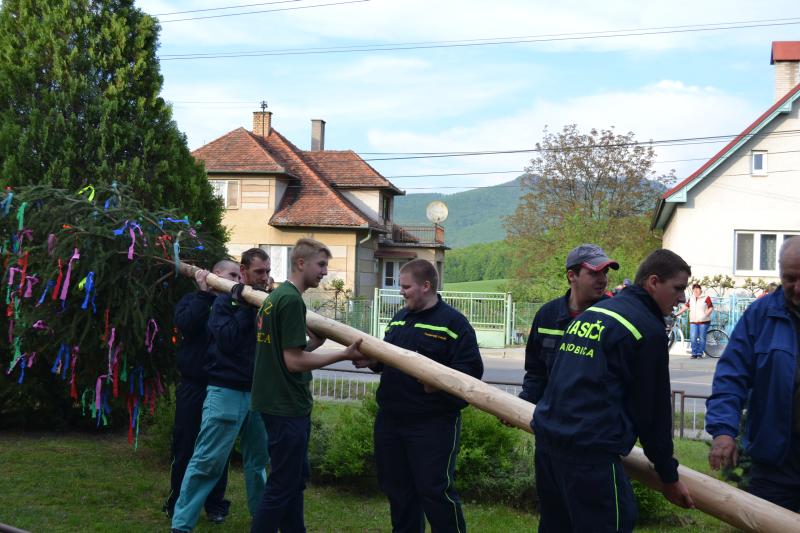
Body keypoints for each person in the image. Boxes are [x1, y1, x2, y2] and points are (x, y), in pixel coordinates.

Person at [532, 249, 695, 532]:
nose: (682, 298)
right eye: (678, 288)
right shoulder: (647, 329)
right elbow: (653, 412)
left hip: (548, 446)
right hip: (588, 457)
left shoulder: (593, 315)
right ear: (653, 282)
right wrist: (668, 476)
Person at [250, 238, 366, 532]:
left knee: (294, 480)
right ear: (301, 263)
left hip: (278, 402)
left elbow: (281, 354)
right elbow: (293, 362)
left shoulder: (275, 298)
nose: (325, 272)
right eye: (321, 265)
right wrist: (344, 354)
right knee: (282, 485)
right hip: (286, 405)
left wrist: (313, 345)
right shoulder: (290, 301)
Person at [367, 259, 484, 532]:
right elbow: (386, 361)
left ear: (426, 286)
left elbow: (471, 374)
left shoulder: (454, 324)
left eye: (406, 287)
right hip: (391, 421)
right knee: (398, 490)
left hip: (432, 424)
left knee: (435, 492)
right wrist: (372, 361)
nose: (401, 292)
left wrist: (439, 384)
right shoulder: (400, 318)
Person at [171, 248, 272, 533]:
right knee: (207, 461)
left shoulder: (267, 305)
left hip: (258, 395)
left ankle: (262, 520)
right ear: (244, 272)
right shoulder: (224, 303)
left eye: (267, 271)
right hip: (225, 391)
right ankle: (181, 525)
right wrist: (245, 308)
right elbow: (226, 340)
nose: (264, 277)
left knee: (258, 464)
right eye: (259, 272)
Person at [706, 237, 800, 511]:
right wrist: (724, 432)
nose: (797, 287)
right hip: (775, 463)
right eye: (789, 278)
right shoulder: (761, 314)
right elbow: (731, 377)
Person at [163, 259, 241, 522]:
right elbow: (186, 325)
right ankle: (177, 502)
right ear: (215, 274)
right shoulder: (192, 300)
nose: (237, 280)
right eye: (232, 275)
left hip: (222, 387)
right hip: (193, 387)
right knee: (185, 445)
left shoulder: (236, 306)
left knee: (219, 450)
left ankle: (215, 504)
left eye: (239, 276)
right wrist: (204, 294)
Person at [519, 244, 619, 405]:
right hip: (550, 416)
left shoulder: (614, 317)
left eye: (605, 272)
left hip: (597, 418)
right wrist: (525, 402)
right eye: (594, 273)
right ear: (572, 276)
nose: (603, 280)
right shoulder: (546, 315)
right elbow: (536, 372)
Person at [675, 283, 713, 359]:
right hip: (693, 321)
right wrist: (677, 313)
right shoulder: (691, 298)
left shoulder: (706, 297)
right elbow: (685, 307)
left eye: (697, 289)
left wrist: (707, 314)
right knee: (693, 337)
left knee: (702, 338)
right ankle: (694, 353)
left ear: (700, 290)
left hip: (703, 321)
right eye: (694, 290)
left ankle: (700, 353)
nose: (695, 291)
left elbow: (711, 307)